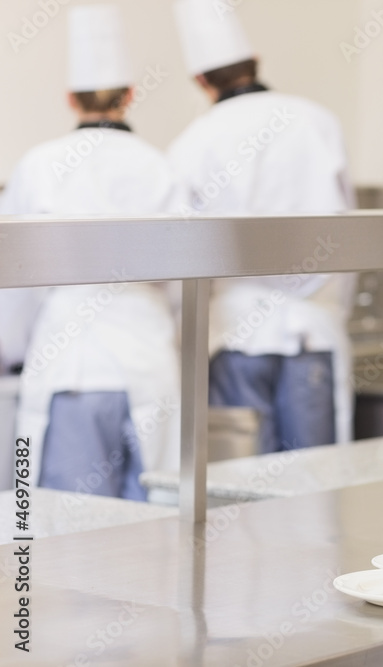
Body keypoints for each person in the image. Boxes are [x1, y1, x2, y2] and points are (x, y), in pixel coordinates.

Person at [2, 5, 182, 500]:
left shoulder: (37, 165)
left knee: (72, 531)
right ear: (130, 96)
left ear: (69, 98)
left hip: (70, 365)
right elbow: (186, 277)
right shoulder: (159, 166)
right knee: (155, 527)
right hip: (148, 360)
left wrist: (10, 350)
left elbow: (15, 278)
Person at [169, 0, 357, 454]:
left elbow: (180, 252)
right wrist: (337, 310)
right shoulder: (317, 121)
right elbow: (351, 231)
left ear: (200, 82)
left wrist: (183, 334)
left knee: (241, 492)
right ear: (256, 64)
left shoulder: (192, 143)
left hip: (235, 335)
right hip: (314, 330)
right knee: (315, 488)